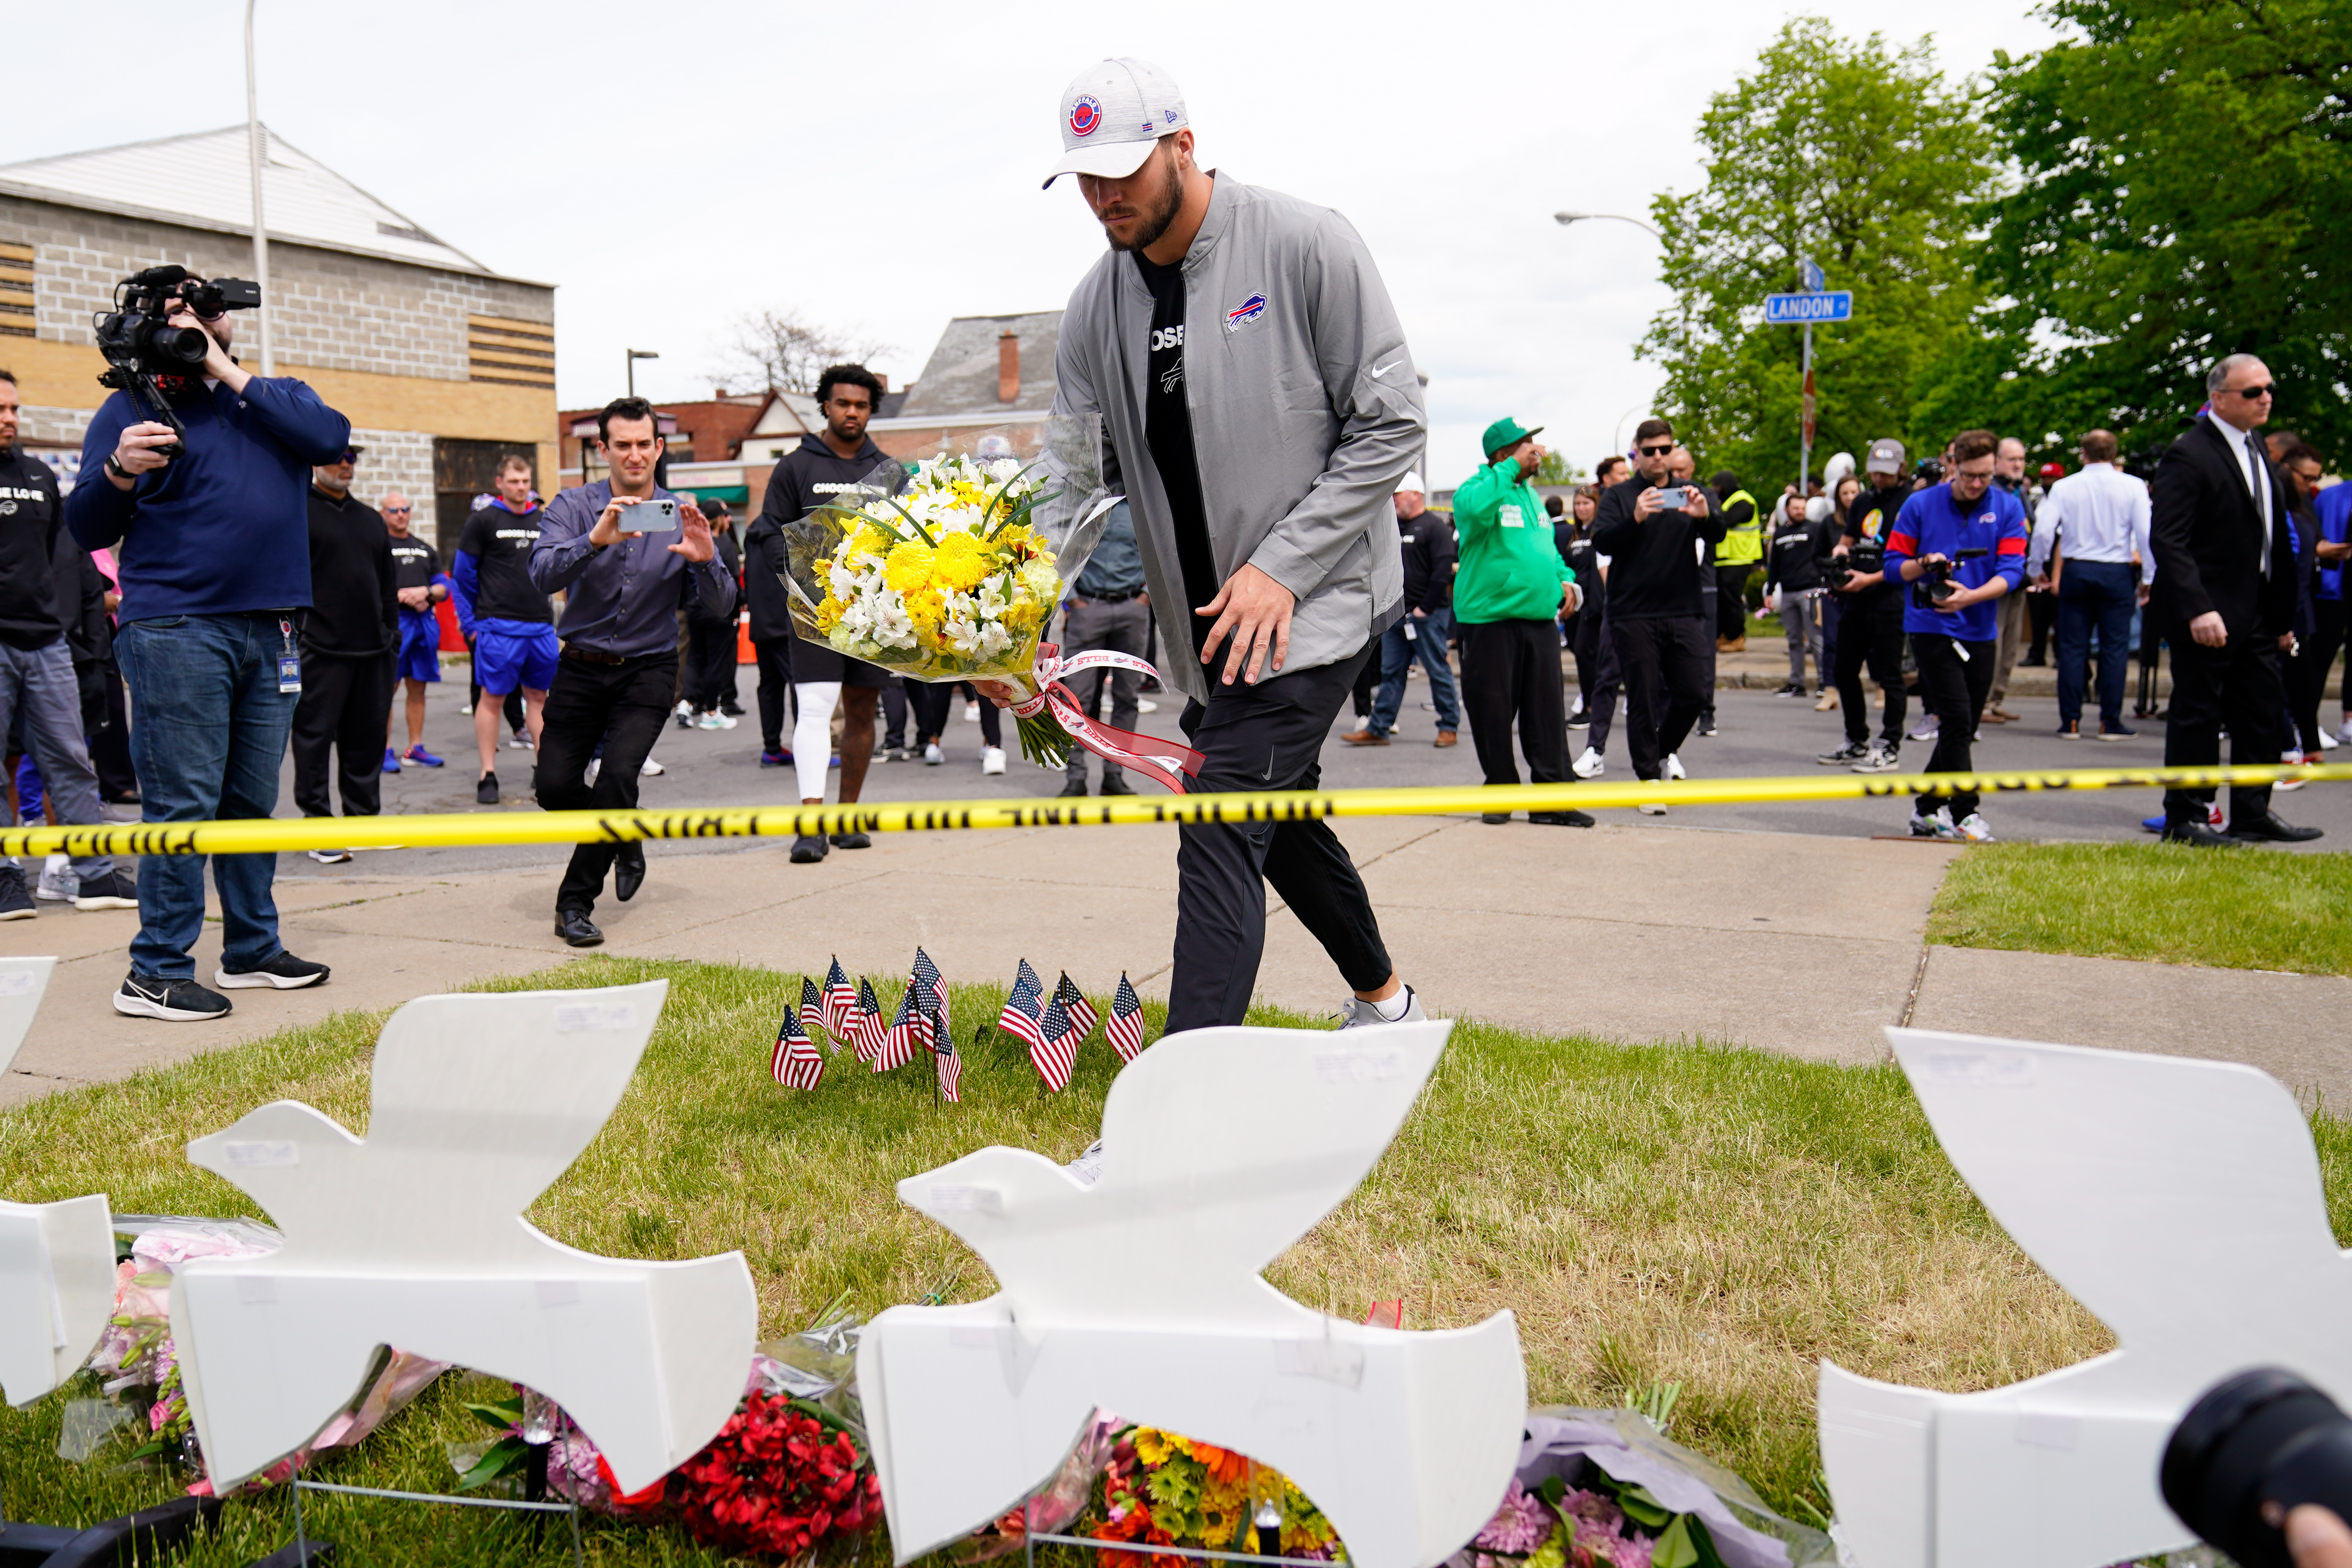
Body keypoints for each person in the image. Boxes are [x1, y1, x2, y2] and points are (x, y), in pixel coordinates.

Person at [1017, 54, 1425, 1031]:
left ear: (1184, 146)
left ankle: (1180, 1103)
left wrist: (1280, 570)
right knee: (1271, 816)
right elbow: (1070, 478)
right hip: (1203, 631)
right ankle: (1387, 1003)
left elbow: (1392, 422)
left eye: (1124, 167)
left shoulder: (1306, 244)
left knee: (1217, 817)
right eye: (1086, 175)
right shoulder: (1093, 306)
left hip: (1314, 604)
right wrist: (1011, 625)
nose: (1104, 194)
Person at [65, 271, 349, 1019]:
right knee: (183, 804)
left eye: (206, 313)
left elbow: (330, 439)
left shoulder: (274, 396)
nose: (194, 325)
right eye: (176, 317)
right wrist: (119, 469)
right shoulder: (128, 409)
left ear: (227, 321)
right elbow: (87, 527)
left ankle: (252, 948)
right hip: (177, 627)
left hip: (277, 625)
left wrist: (221, 369)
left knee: (251, 800)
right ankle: (155, 970)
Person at [529, 397, 736, 944]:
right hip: (579, 665)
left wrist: (707, 559)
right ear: (604, 450)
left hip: (648, 670)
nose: (635, 454)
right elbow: (540, 576)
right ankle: (626, 833)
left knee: (619, 775)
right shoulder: (573, 507)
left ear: (659, 447)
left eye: (645, 444)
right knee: (552, 788)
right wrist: (595, 540)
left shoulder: (681, 513)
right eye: (623, 444)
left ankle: (574, 903)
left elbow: (719, 609)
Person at [2144, 355, 2322, 845]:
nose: (2265, 398)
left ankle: (2252, 811)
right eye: (2252, 392)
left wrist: (2282, 614)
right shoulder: (2188, 453)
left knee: (2261, 713)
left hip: (2260, 612)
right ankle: (2187, 817)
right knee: (2198, 714)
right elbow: (2169, 539)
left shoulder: (2256, 448)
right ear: (2219, 398)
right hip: (2208, 612)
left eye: (2268, 389)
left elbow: (2271, 538)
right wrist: (2198, 607)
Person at [0, 370, 137, 921]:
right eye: (0, 409)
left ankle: (93, 872)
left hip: (47, 641)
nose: (9, 418)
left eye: (13, 408)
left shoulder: (36, 476)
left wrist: (78, 633)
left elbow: (69, 557)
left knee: (72, 759)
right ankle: (6, 877)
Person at [748, 364, 894, 862]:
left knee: (860, 712)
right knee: (813, 710)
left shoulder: (888, 470)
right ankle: (811, 826)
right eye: (842, 403)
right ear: (825, 406)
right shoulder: (795, 467)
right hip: (814, 614)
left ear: (870, 410)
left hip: (876, 615)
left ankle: (846, 819)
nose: (851, 412)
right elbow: (769, 531)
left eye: (860, 405)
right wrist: (798, 583)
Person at [1882, 429, 2029, 841]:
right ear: (1952, 466)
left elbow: (2013, 570)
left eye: (1984, 475)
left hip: (1980, 625)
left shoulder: (2008, 505)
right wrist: (1923, 563)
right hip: (1930, 625)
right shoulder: (1920, 504)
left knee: (1960, 727)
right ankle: (1965, 814)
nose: (1976, 484)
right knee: (1957, 718)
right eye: (1968, 475)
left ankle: (1926, 809)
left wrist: (1972, 597)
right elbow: (1892, 567)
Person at [1446, 420, 1589, 825]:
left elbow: (1545, 549)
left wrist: (1565, 579)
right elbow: (1473, 512)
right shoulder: (1477, 489)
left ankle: (1552, 802)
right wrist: (1507, 470)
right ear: (1503, 453)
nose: (1536, 451)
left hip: (1539, 620)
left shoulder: (1531, 496)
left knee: (1546, 714)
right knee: (1492, 711)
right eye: (1527, 445)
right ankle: (1500, 791)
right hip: (1490, 620)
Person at [1590, 419, 1722, 813]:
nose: (1659, 458)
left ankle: (1660, 752)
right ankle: (1648, 778)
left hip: (1683, 608)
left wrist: (1703, 516)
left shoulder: (1689, 492)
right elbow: (1602, 541)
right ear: (1637, 453)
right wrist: (1635, 518)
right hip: (1633, 613)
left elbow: (1718, 535)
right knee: (1643, 697)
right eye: (1650, 452)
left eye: (1665, 449)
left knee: (1693, 694)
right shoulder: (1619, 495)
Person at [290, 445, 397, 862]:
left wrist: (392, 638)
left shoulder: (371, 519)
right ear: (316, 462)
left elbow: (387, 585)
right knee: (313, 738)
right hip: (319, 648)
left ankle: (363, 821)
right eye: (338, 458)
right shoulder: (298, 512)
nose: (345, 465)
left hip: (373, 649)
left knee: (367, 740)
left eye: (351, 458)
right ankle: (319, 827)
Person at [2029, 429, 2151, 741]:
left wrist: (2035, 569)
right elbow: (2146, 534)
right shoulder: (2133, 486)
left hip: (2077, 568)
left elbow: (2044, 531)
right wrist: (2149, 576)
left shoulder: (2064, 487)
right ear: (2114, 453)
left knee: (2072, 647)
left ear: (2082, 453)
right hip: (2116, 571)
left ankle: (2070, 720)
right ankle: (2109, 721)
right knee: (2114, 649)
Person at [453, 456, 553, 804]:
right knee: (492, 699)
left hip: (540, 625)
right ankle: (488, 774)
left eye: (525, 481)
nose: (520, 487)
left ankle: (545, 770)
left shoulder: (544, 520)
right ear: (499, 483)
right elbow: (463, 576)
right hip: (498, 627)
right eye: (513, 481)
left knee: (539, 698)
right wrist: (475, 622)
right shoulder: (483, 520)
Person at [1344, 473, 1461, 749]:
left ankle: (1449, 727)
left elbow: (1443, 570)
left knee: (1437, 670)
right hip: (1398, 615)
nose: (1394, 500)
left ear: (1416, 495)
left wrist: (1425, 609)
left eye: (1398, 495)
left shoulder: (1435, 527)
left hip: (1427, 616)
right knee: (1391, 672)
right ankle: (1379, 727)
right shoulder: (1396, 527)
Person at [1819, 441, 1913, 771]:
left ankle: (1888, 745)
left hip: (1889, 598)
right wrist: (1841, 554)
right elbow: (1848, 539)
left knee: (1888, 675)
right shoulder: (1862, 500)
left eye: (1886, 472)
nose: (1878, 477)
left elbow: (1911, 559)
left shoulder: (1911, 500)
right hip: (1855, 598)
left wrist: (1869, 579)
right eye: (1874, 471)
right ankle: (1856, 739)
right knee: (1843, 670)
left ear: (1901, 468)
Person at [1057, 499, 1152, 795]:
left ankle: (1115, 774)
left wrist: (1146, 596)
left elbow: (1158, 551)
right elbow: (1060, 553)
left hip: (1131, 607)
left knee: (1127, 696)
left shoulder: (1140, 504)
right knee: (1077, 699)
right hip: (1088, 608)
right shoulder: (1083, 504)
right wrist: (1072, 599)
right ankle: (1076, 777)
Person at [381, 489, 449, 769]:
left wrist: (426, 593)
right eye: (394, 510)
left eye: (405, 509)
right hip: (393, 625)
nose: (401, 515)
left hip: (423, 626)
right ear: (383, 514)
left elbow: (444, 588)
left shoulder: (424, 548)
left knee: (418, 688)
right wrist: (398, 595)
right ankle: (383, 750)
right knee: (387, 689)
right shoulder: (379, 547)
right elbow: (368, 585)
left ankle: (415, 748)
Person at [1981, 437, 2040, 722]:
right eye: (2012, 459)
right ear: (1997, 462)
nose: (2018, 464)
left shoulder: (2019, 492)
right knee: (1994, 638)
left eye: (2021, 459)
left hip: (2020, 576)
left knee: (2011, 643)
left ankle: (1996, 699)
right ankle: (1981, 701)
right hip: (1998, 577)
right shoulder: (1991, 493)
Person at [1561, 487, 1619, 777]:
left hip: (1599, 607)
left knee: (1592, 655)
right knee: (1581, 652)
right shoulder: (1574, 535)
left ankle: (1592, 706)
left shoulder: (1601, 532)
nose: (1582, 508)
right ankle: (1589, 700)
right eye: (1577, 503)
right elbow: (1569, 566)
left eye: (1586, 503)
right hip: (1578, 605)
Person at [1764, 492, 1835, 697]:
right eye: (1796, 508)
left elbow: (1824, 557)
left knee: (1816, 638)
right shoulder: (1779, 533)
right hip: (1787, 592)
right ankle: (1797, 683)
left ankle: (1825, 682)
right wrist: (1770, 590)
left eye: (1803, 508)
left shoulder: (1814, 529)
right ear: (1786, 510)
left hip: (1810, 591)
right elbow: (1774, 565)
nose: (1800, 512)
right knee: (1794, 640)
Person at [686, 495, 744, 729]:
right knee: (716, 661)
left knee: (695, 657)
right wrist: (738, 606)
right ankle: (711, 711)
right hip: (719, 611)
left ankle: (687, 703)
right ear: (719, 520)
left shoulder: (694, 543)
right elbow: (733, 582)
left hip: (694, 608)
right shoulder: (725, 546)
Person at [2312, 461, 2352, 749]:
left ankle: (2348, 721)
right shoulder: (2332, 496)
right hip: (2332, 588)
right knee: (2319, 657)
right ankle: (2305, 722)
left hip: (2338, 586)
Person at [1711, 469, 1761, 652]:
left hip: (1740, 557)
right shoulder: (1726, 502)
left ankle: (1736, 637)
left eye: (1717, 487)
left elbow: (1728, 521)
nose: (1715, 490)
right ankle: (1724, 635)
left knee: (1731, 600)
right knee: (1722, 600)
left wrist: (1710, 508)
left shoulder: (1743, 501)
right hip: (1725, 559)